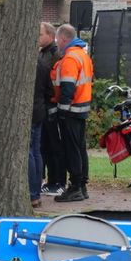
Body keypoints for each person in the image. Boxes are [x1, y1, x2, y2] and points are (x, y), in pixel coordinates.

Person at [51, 23, 94, 202]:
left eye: (57, 40)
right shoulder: (82, 55)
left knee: (72, 149)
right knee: (80, 148)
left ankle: (76, 185)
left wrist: (61, 110)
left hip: (71, 110)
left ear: (63, 38)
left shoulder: (70, 58)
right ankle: (81, 185)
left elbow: (68, 87)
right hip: (81, 108)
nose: (57, 44)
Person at [30, 24, 56, 209]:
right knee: (37, 152)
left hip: (30, 112)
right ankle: (36, 193)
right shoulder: (42, 64)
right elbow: (49, 90)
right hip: (39, 111)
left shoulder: (28, 63)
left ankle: (32, 193)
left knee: (29, 152)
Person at [38, 22, 65, 196]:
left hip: (52, 105)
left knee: (55, 146)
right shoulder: (43, 53)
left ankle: (59, 181)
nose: (38, 37)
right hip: (45, 105)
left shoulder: (55, 54)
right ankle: (50, 181)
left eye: (40, 34)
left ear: (50, 35)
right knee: (45, 146)